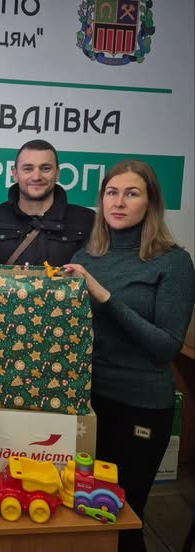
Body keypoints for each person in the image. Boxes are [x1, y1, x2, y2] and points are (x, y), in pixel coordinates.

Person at [63, 159, 195, 552]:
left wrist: (104, 296)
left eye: (131, 193)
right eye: (111, 193)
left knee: (121, 518)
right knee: (81, 514)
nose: (118, 202)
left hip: (140, 406)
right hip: (86, 404)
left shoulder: (173, 262)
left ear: (150, 203)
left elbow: (166, 345)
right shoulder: (86, 256)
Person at [0, 139, 95, 266]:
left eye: (45, 169)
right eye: (28, 169)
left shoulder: (88, 222)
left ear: (57, 174)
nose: (36, 177)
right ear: (15, 174)